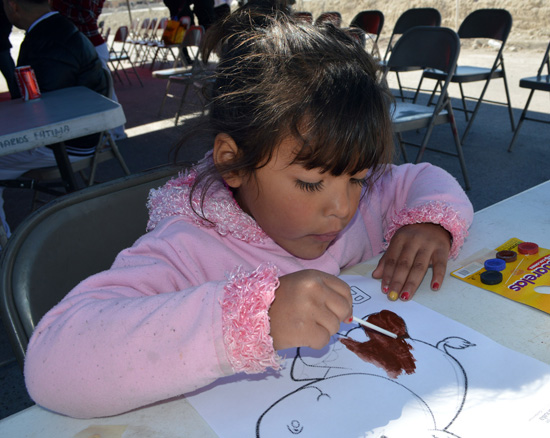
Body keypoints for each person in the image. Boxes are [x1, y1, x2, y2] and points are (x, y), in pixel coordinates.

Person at [24, 4, 473, 419]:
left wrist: (429, 221)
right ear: (232, 163)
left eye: (357, 178)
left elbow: (420, 178)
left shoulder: (360, 198)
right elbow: (50, 364)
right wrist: (246, 320)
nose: (343, 207)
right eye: (310, 183)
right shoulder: (188, 248)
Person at [0, 0, 109, 236]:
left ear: (12, 6)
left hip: (68, 143)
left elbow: (43, 116)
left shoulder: (45, 42)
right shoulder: (60, 29)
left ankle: (4, 243)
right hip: (84, 134)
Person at [49, 0, 126, 140]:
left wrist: (59, 11)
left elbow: (87, 16)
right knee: (97, 92)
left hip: (91, 45)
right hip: (85, 44)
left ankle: (115, 132)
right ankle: (109, 132)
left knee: (104, 92)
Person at [0, 2, 17, 97]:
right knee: (11, 76)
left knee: (12, 78)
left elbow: (7, 21)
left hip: (2, 47)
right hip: (2, 46)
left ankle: (17, 95)